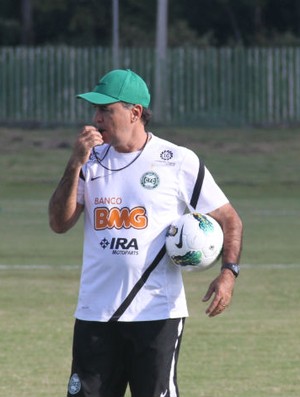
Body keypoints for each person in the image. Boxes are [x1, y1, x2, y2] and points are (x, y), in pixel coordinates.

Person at [48, 69, 243, 397]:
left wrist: (228, 273)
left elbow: (230, 219)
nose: (96, 119)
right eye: (95, 111)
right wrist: (74, 164)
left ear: (135, 112)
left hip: (156, 315)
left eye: (106, 111)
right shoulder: (90, 161)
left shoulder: (176, 160)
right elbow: (58, 223)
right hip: (96, 313)